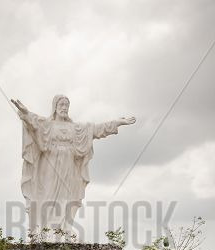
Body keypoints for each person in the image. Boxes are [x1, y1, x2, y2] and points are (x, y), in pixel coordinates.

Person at [12, 95, 135, 238]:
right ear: (55, 107)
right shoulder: (47, 124)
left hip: (68, 166)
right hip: (50, 165)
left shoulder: (76, 128)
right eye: (61, 104)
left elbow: (96, 129)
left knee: (67, 196)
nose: (64, 107)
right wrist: (26, 113)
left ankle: (65, 228)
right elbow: (34, 123)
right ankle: (45, 230)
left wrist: (118, 122)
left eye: (66, 105)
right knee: (48, 195)